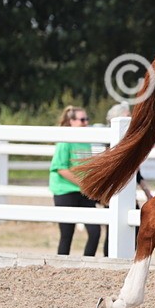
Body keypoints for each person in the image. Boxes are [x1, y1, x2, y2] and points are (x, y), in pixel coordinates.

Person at [50, 106, 101, 256]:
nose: (86, 122)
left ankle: (87, 262)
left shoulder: (86, 141)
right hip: (65, 191)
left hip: (83, 191)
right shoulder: (65, 141)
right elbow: (61, 168)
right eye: (82, 120)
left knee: (95, 231)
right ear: (71, 121)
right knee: (67, 234)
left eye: (87, 119)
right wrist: (84, 184)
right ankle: (61, 263)